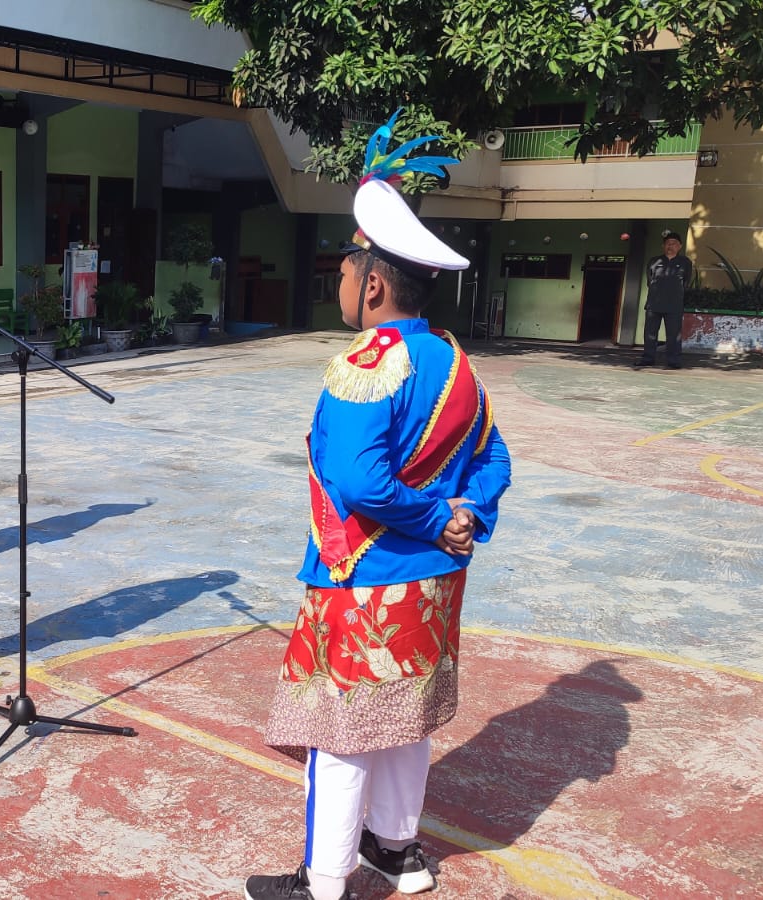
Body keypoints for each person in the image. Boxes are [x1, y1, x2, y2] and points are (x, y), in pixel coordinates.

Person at [246, 112, 513, 900]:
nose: (338, 285)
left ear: (372, 283)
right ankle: (398, 852)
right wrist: (462, 515)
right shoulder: (455, 360)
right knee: (404, 722)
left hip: (366, 579)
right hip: (433, 581)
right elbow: (495, 458)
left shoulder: (366, 361)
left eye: (342, 272)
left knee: (345, 730)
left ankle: (324, 880)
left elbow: (360, 484)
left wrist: (431, 517)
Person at [634, 231, 693, 369]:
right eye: (667, 243)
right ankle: (648, 359)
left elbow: (686, 282)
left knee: (673, 335)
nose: (670, 246)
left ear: (680, 246)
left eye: (673, 244)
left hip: (674, 305)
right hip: (654, 304)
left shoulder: (685, 262)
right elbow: (650, 281)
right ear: (663, 246)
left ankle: (674, 361)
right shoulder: (654, 261)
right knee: (650, 333)